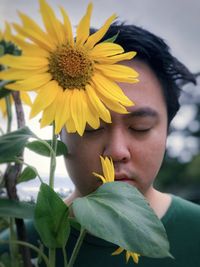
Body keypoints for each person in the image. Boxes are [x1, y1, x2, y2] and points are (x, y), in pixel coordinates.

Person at [1, 23, 200, 267]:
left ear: (167, 130)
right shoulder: (14, 249)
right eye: (91, 127)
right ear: (59, 131)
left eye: (140, 127)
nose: (116, 151)